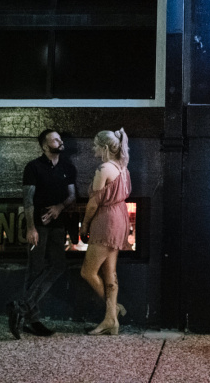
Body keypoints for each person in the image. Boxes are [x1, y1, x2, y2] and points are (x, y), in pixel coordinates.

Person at [6, 129, 76, 339]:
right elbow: (28, 200)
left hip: (58, 225)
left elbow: (72, 196)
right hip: (38, 225)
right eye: (55, 139)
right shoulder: (33, 167)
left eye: (60, 138)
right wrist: (31, 228)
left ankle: (21, 306)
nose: (60, 141)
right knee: (35, 269)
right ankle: (32, 320)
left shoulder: (67, 167)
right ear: (45, 145)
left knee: (59, 265)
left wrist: (59, 208)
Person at [79, 128, 132, 335]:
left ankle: (113, 311)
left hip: (106, 220)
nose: (94, 149)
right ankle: (111, 320)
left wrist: (84, 225)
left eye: (96, 145)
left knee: (88, 271)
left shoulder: (103, 169)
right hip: (120, 217)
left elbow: (93, 204)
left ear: (105, 148)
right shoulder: (122, 167)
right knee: (110, 273)